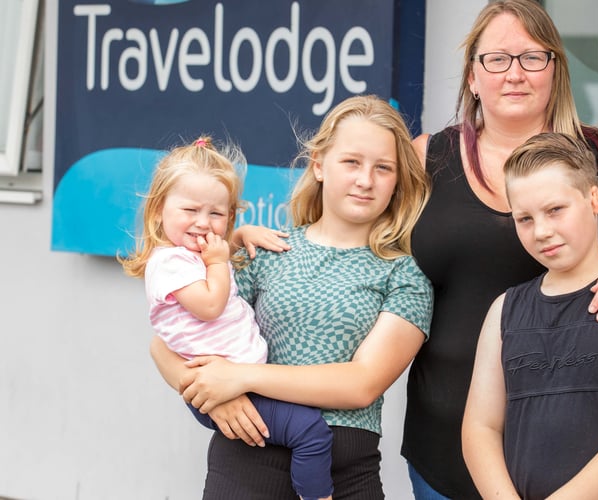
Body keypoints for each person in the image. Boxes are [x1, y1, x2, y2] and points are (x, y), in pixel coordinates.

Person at [402, 1, 598, 497]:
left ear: (555, 69)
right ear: (472, 75)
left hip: (583, 451)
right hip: (448, 442)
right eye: (497, 59)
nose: (514, 74)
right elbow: (352, 248)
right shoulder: (426, 156)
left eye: (533, 57)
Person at [148, 95, 434, 499]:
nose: (365, 179)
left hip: (345, 475)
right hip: (247, 463)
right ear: (319, 164)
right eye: (351, 162)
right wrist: (211, 399)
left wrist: (241, 377)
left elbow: (362, 384)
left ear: (398, 179)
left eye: (383, 168)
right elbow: (166, 345)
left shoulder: (405, 274)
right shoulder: (266, 250)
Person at [462, 132, 598, 498]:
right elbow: (480, 427)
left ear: (593, 199)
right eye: (525, 219)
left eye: (555, 210)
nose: (542, 231)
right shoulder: (504, 311)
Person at [119, 136, 335, 500]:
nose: (204, 224)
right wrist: (220, 260)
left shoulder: (191, 253)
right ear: (158, 210)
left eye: (217, 214)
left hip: (238, 381)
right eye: (190, 211)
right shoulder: (169, 263)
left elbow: (215, 250)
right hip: (220, 389)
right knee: (311, 432)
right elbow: (209, 305)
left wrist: (239, 235)